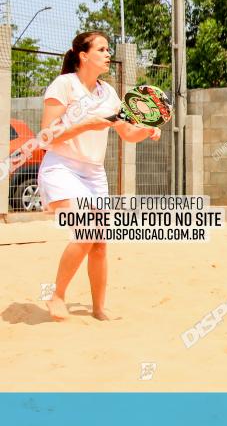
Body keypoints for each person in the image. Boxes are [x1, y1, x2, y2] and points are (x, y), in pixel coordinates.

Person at [38, 31, 161, 321]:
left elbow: (126, 132)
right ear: (83, 55)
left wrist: (146, 130)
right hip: (62, 167)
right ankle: (56, 296)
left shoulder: (108, 92)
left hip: (93, 173)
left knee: (100, 242)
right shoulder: (64, 85)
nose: (108, 54)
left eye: (108, 50)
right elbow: (45, 136)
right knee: (86, 230)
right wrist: (85, 125)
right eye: (102, 49)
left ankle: (98, 309)